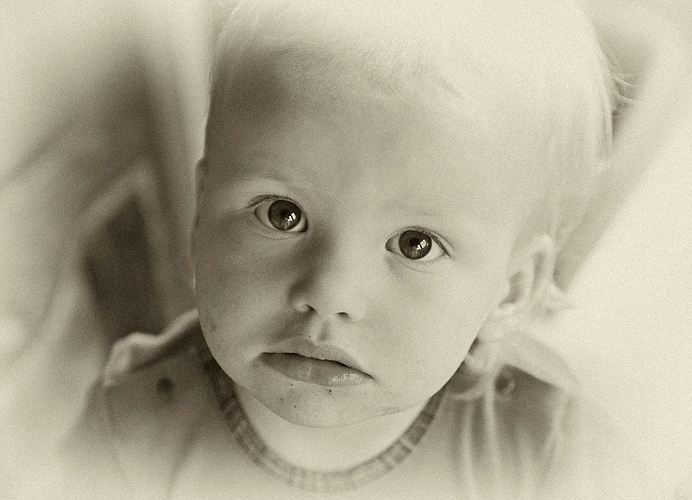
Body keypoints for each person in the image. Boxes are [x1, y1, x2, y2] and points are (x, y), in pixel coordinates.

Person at [59, 0, 651, 498]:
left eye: (416, 245)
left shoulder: (552, 454)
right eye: (283, 214)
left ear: (510, 289)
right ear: (201, 211)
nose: (328, 293)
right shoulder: (127, 432)